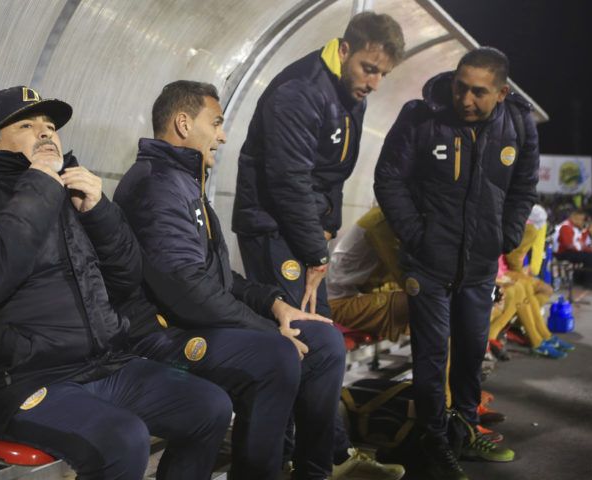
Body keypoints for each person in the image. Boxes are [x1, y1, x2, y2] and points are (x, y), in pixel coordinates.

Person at [0, 86, 233, 480]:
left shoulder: (72, 192)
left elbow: (125, 280)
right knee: (123, 438)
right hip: (11, 381)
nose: (45, 133)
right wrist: (39, 183)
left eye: (50, 125)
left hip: (98, 365)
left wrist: (99, 213)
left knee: (208, 405)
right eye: (26, 124)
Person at [114, 81, 403, 480]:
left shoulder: (184, 182)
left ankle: (313, 470)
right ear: (183, 123)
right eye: (215, 123)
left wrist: (273, 304)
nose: (222, 135)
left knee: (324, 340)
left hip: (189, 322)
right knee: (275, 355)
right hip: (159, 335)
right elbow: (184, 287)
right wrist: (265, 329)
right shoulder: (157, 185)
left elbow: (215, 277)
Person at [374, 47, 540, 480]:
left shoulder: (519, 125)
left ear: (501, 93)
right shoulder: (421, 116)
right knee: (432, 358)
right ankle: (432, 442)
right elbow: (388, 178)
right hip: (428, 266)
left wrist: (505, 236)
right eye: (460, 86)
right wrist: (417, 235)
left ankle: (463, 431)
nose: (465, 98)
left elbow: (523, 186)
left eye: (479, 92)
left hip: (480, 265)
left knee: (471, 352)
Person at [232, 11, 405, 316]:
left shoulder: (351, 93)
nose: (375, 83)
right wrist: (316, 254)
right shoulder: (301, 91)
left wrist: (328, 224)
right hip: (272, 227)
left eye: (383, 74)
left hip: (301, 229)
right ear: (344, 50)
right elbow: (289, 181)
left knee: (314, 331)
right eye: (369, 69)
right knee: (301, 332)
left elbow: (335, 171)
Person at [327, 206, 409, 342]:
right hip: (340, 304)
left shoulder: (388, 215)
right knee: (421, 300)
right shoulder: (381, 222)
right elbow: (404, 277)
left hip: (359, 294)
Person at [554, 209, 592, 289]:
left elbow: (581, 241)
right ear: (574, 218)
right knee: (590, 257)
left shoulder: (574, 227)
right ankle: (589, 282)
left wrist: (588, 233)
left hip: (570, 251)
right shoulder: (566, 226)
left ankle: (590, 280)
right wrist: (584, 249)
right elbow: (569, 245)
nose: (582, 222)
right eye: (580, 219)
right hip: (562, 253)